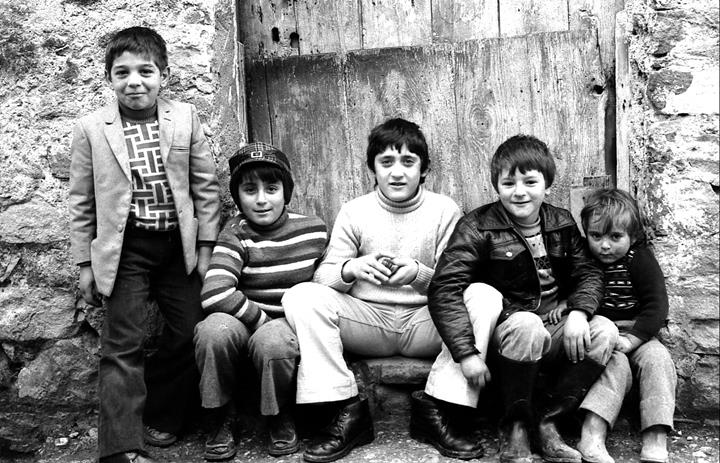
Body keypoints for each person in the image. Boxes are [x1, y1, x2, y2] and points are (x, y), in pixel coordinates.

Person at [282, 118, 484, 462]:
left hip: (427, 323)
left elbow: (457, 281)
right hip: (368, 323)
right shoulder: (355, 211)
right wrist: (350, 268)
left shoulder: (444, 210)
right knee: (300, 295)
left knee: (482, 295)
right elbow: (322, 278)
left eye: (408, 162)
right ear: (372, 169)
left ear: (424, 169)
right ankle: (345, 410)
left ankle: (440, 409)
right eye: (386, 162)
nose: (397, 172)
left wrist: (419, 274)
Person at [68, 26, 221, 463]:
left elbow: (205, 187)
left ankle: (161, 413)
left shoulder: (184, 118)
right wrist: (85, 264)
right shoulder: (92, 129)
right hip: (125, 250)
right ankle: (120, 448)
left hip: (177, 247)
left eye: (145, 71)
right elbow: (81, 201)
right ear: (109, 78)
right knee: (123, 346)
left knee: (192, 330)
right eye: (123, 73)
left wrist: (205, 249)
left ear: (164, 75)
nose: (134, 81)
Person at [429, 134, 618, 463]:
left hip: (554, 325)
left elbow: (588, 272)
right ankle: (514, 426)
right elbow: (444, 287)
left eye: (530, 182)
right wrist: (465, 352)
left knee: (604, 331)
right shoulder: (478, 227)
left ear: (547, 186)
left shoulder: (560, 222)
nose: (519, 192)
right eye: (509, 183)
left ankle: (547, 422)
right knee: (527, 325)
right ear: (497, 186)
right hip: (509, 330)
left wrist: (579, 312)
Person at [193, 142, 328, 461]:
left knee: (273, 342)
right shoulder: (235, 233)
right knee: (213, 331)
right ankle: (220, 414)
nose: (262, 199)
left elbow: (325, 287)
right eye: (250, 190)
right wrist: (260, 321)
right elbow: (215, 292)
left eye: (272, 188)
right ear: (238, 197)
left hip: (287, 323)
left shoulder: (314, 231)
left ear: (286, 192)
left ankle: (278, 414)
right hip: (245, 320)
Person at [571, 188, 676, 463]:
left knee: (658, 359)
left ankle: (656, 434)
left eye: (615, 237)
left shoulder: (639, 259)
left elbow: (656, 306)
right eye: (596, 236)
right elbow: (573, 291)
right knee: (614, 365)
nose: (604, 246)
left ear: (633, 235)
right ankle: (592, 432)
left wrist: (632, 340)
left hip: (636, 332)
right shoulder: (583, 258)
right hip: (601, 333)